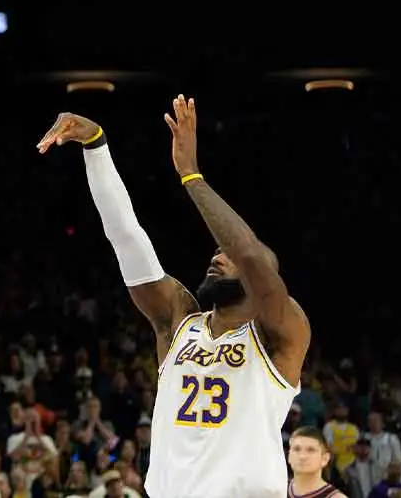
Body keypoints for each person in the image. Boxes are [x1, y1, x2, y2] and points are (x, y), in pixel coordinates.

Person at [38, 95, 311, 498]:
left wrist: (190, 175)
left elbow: (249, 254)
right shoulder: (178, 320)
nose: (218, 257)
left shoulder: (280, 334)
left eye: (227, 255)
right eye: (216, 252)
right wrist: (96, 146)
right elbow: (126, 238)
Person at [288, 427, 343, 498]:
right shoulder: (278, 488)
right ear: (289, 456)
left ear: (325, 458)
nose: (302, 456)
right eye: (297, 449)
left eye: (311, 450)